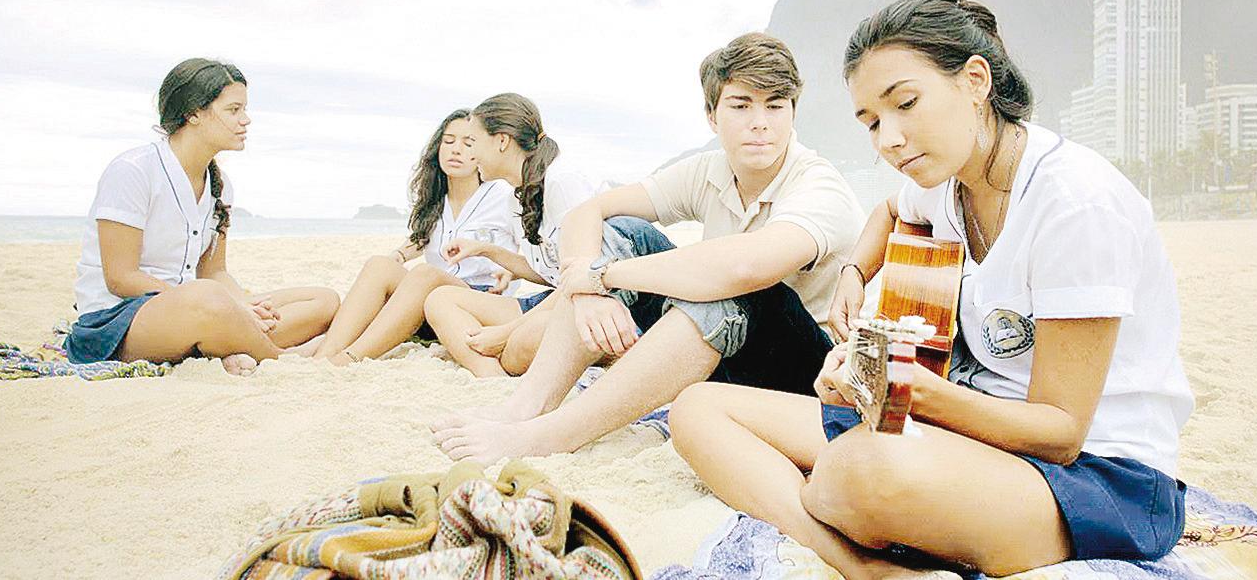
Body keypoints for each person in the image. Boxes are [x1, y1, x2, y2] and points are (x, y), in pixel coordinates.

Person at [668, 0, 1194, 579]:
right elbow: (890, 211)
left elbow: (1061, 433)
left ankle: (849, 519)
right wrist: (854, 278)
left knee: (856, 473)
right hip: (966, 433)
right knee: (697, 410)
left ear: (975, 81)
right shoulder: (946, 180)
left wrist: (911, 391)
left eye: (906, 104)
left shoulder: (1075, 205)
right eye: (871, 122)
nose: (889, 139)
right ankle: (865, 568)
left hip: (1098, 477)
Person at [431, 32, 864, 463]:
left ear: (793, 112)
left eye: (775, 105)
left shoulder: (817, 184)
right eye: (741, 105)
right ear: (712, 116)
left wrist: (603, 275)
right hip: (726, 355)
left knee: (729, 286)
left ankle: (551, 436)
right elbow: (589, 212)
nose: (760, 122)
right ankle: (526, 408)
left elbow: (745, 268)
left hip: (810, 378)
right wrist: (586, 291)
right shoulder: (709, 170)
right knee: (625, 230)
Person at [66, 59, 340, 375]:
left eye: (244, 109)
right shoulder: (133, 171)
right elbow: (121, 277)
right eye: (233, 110)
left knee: (323, 301)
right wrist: (230, 309)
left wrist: (243, 308)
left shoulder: (221, 186)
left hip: (198, 310)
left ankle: (230, 343)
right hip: (115, 322)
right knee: (207, 298)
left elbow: (215, 272)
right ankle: (280, 357)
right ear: (193, 113)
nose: (246, 120)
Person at [312, 109, 517, 365]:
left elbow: (531, 246)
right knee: (379, 265)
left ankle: (349, 358)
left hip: (479, 302)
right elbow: (421, 238)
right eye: (449, 141)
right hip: (426, 305)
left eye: (468, 143)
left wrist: (510, 271)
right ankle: (325, 354)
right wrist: (398, 255)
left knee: (425, 274)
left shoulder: (503, 197)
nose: (456, 150)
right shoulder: (436, 199)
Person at [421, 93, 598, 376]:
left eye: (473, 142)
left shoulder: (562, 184)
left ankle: (502, 357)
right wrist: (486, 250)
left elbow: (585, 279)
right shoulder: (516, 198)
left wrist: (506, 332)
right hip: (553, 302)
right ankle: (492, 377)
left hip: (589, 306)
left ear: (502, 141)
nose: (471, 155)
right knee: (440, 299)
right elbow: (551, 273)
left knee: (522, 342)